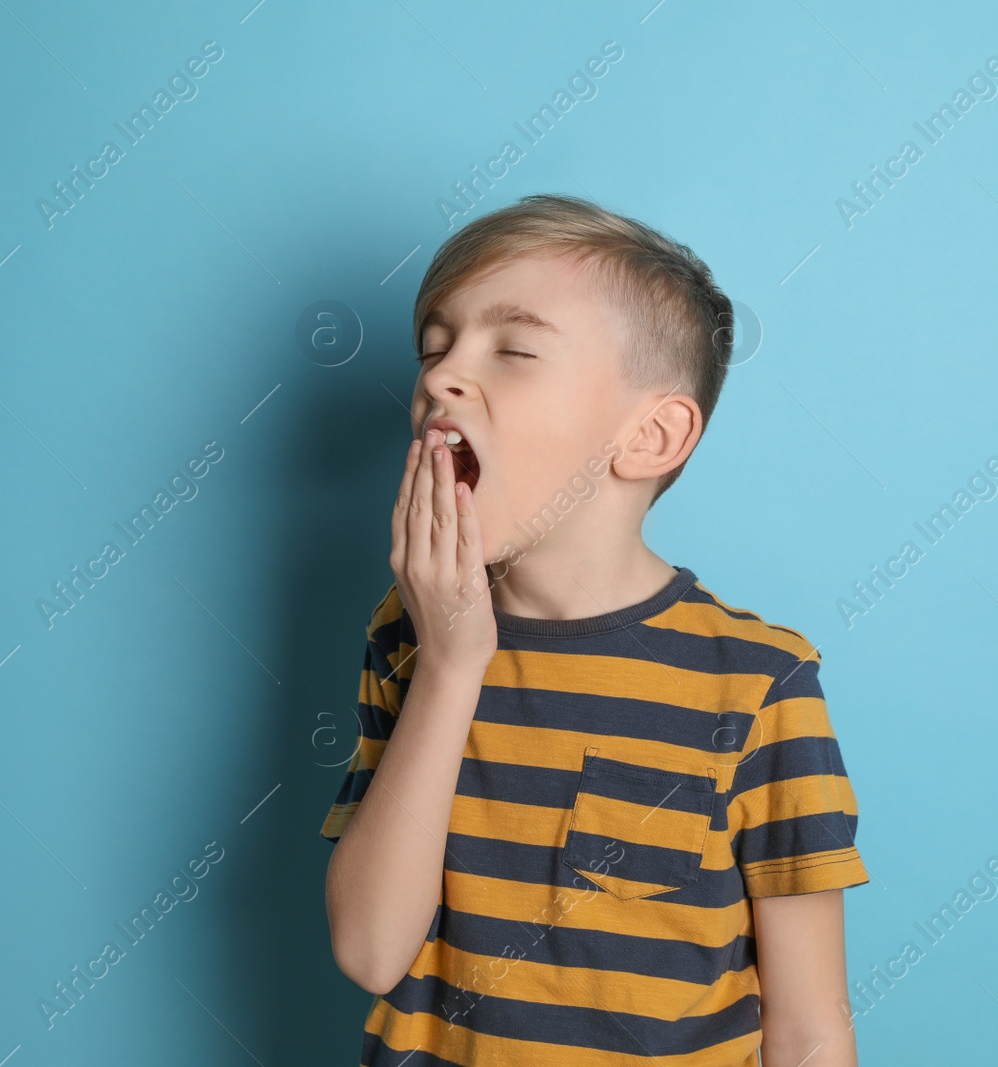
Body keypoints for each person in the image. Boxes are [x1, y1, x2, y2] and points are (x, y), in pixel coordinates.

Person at [321, 193, 870, 1066]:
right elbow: (371, 949)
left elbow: (808, 1030)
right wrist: (453, 661)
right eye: (435, 347)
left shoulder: (761, 681)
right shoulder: (408, 636)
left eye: (514, 349)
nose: (440, 377)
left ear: (650, 435)